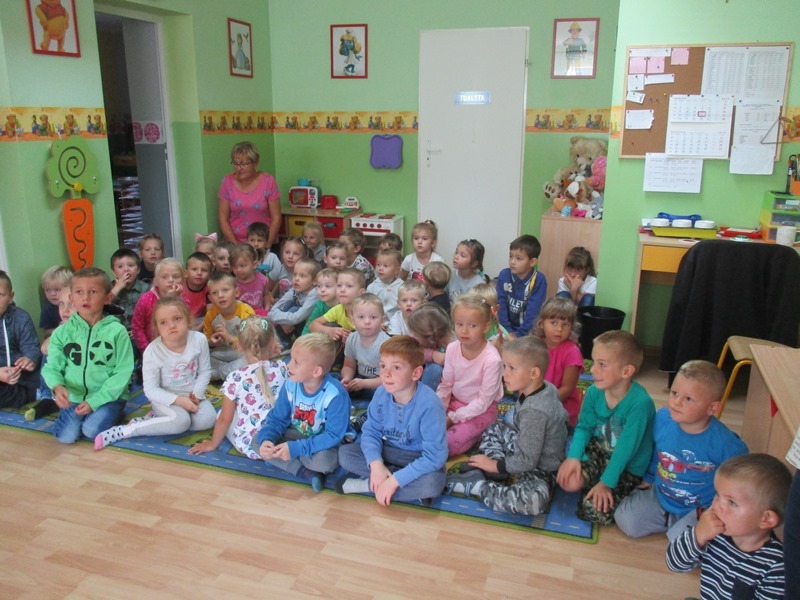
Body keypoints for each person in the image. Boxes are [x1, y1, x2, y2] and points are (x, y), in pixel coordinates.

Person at [615, 360, 748, 540]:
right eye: (674, 393)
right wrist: (650, 476)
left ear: (712, 408)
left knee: (683, 542)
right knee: (626, 520)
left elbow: (740, 476)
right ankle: (672, 522)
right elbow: (657, 452)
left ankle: (678, 527)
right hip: (662, 495)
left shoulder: (726, 444)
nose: (676, 402)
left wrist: (723, 506)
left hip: (698, 507)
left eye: (688, 399)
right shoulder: (662, 418)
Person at [445, 337, 568, 516]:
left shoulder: (535, 411)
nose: (505, 374)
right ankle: (498, 470)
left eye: (512, 368)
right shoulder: (545, 387)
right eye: (504, 367)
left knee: (534, 502)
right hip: (524, 448)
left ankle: (478, 486)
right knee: (494, 428)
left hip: (539, 469)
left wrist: (496, 465)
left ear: (534, 373)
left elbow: (528, 461)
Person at [556, 330, 655, 525]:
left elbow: (625, 451)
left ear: (626, 371)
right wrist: (574, 457)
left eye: (602, 364)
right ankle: (593, 482)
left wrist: (606, 483)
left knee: (593, 512)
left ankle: (625, 493)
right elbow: (584, 427)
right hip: (600, 451)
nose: (593, 370)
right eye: (593, 362)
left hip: (627, 467)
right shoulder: (594, 391)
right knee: (569, 481)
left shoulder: (640, 404)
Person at [337, 336, 448, 505]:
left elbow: (434, 456)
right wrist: (376, 465)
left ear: (416, 373)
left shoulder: (430, 404)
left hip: (417, 456)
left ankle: (368, 485)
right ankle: (396, 483)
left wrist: (395, 480)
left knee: (433, 484)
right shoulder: (381, 393)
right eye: (383, 366)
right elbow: (371, 432)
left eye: (396, 367)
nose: (386, 374)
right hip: (389, 451)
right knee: (345, 455)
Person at [94, 297, 214, 448]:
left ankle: (158, 421)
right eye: (163, 322)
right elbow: (151, 390)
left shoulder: (199, 339)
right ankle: (127, 430)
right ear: (156, 327)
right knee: (181, 422)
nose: (171, 326)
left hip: (191, 394)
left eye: (177, 319)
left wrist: (196, 395)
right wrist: (179, 401)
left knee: (208, 420)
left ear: (189, 319)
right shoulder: (152, 351)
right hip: (164, 397)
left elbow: (204, 371)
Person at [666, 454, 791, 599]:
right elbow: (675, 564)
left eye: (732, 502)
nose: (717, 505)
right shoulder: (714, 534)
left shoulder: (776, 565)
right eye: (718, 495)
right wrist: (697, 535)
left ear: (766, 519)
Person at [41, 268, 134, 444]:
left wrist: (95, 401)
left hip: (108, 397)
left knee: (91, 431)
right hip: (75, 397)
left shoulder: (117, 331)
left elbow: (123, 372)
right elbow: (52, 366)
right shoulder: (61, 333)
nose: (85, 298)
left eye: (93, 292)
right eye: (79, 292)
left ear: (107, 298)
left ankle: (115, 412)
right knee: (66, 438)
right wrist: (57, 386)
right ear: (71, 297)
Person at [257, 333, 352, 492]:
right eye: (290, 359)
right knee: (257, 441)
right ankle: (306, 472)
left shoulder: (335, 395)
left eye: (296, 362)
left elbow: (333, 435)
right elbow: (277, 419)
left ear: (316, 371)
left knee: (326, 462)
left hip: (324, 441)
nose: (288, 365)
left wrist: (295, 448)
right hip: (298, 433)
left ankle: (287, 460)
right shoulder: (290, 384)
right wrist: (267, 440)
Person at [189, 316, 287, 459]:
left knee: (221, 414)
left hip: (251, 446)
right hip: (278, 439)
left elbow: (225, 419)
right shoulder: (283, 368)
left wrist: (212, 444)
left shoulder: (235, 378)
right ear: (273, 343)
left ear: (239, 346)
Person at [436, 294, 504, 458]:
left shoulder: (492, 360)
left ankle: (479, 435)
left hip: (481, 411)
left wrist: (453, 418)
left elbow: (483, 401)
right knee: (424, 428)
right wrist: (439, 410)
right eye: (459, 324)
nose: (464, 331)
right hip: (455, 404)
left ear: (486, 327)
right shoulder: (452, 348)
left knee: (446, 444)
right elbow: (446, 384)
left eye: (472, 325)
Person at [532, 297, 583, 427]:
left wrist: (542, 404)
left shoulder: (572, 352)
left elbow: (567, 389)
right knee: (512, 417)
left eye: (565, 325)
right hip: (535, 402)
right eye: (553, 323)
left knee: (540, 425)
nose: (559, 329)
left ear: (571, 327)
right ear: (541, 323)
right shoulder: (535, 345)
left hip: (561, 407)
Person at [218, 141, 281, 245]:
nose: (239, 168)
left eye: (243, 164)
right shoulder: (227, 182)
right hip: (235, 243)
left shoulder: (268, 181)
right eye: (235, 163)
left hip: (262, 242)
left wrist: (267, 244)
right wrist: (235, 246)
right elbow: (223, 218)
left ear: (255, 163)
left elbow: (276, 217)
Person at [28, 287, 74, 421]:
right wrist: (52, 340)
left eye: (71, 304)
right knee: (48, 348)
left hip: (85, 384)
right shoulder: (62, 327)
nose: (65, 310)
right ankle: (48, 397)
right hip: (62, 377)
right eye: (61, 304)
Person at [0, 270, 42, 410]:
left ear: (10, 297)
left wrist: (30, 359)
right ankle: (26, 395)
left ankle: (33, 393)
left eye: (0, 295)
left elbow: (31, 346)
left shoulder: (20, 317)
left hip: (21, 376)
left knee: (48, 363)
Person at [341, 294, 390, 402]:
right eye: (361, 317)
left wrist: (366, 384)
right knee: (334, 379)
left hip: (379, 383)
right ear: (352, 320)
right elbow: (349, 366)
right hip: (360, 379)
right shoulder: (351, 339)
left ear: (382, 320)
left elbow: (389, 376)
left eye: (373, 317)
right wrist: (347, 379)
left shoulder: (386, 343)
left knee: (385, 392)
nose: (367, 322)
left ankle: (367, 407)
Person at [496, 234, 547, 338]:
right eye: (511, 256)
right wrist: (508, 331)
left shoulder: (539, 280)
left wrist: (519, 335)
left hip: (528, 331)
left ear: (532, 262)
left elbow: (533, 313)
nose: (512, 262)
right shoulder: (504, 275)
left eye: (518, 258)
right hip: (505, 329)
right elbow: (501, 305)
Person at [131, 258, 187, 353]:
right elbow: (137, 326)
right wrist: (146, 349)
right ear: (156, 281)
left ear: (183, 280)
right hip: (151, 348)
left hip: (178, 347)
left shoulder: (184, 299)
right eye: (164, 277)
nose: (171, 280)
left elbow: (186, 323)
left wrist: (173, 298)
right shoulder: (146, 299)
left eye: (176, 276)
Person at [268, 257, 320, 349]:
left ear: (314, 281)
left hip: (310, 330)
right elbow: (276, 307)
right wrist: (282, 322)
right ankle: (279, 340)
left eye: (302, 276)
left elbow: (296, 318)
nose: (296, 279)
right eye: (295, 274)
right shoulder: (295, 289)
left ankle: (283, 343)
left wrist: (279, 319)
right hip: (295, 322)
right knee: (288, 304)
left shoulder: (314, 295)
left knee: (294, 309)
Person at [308, 267, 365, 345]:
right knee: (331, 326)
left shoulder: (368, 310)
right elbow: (312, 325)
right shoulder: (338, 309)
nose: (342, 289)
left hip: (367, 348)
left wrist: (352, 338)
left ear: (361, 292)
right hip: (346, 348)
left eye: (349, 286)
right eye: (339, 285)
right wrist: (329, 331)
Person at [407, 302, 453, 391]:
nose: (414, 336)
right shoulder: (418, 342)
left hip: (447, 386)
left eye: (415, 334)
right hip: (422, 382)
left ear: (428, 337)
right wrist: (432, 355)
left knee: (434, 369)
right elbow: (410, 352)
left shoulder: (454, 345)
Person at [108, 248, 148, 331]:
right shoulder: (108, 288)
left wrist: (138, 331)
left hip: (140, 330)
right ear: (114, 271)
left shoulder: (146, 288)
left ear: (138, 270)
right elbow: (104, 306)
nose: (126, 269)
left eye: (131, 265)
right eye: (120, 266)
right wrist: (117, 288)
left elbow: (151, 314)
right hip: (116, 332)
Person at [467, 283, 512, 353]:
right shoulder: (467, 329)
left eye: (486, 307)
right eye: (475, 307)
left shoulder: (497, 328)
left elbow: (511, 346)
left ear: (496, 308)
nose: (481, 312)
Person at [229, 243, 270, 314]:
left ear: (254, 265)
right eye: (235, 266)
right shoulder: (232, 283)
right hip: (241, 315)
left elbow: (266, 295)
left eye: (242, 266)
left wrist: (267, 309)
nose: (238, 270)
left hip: (259, 314)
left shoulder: (262, 280)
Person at [447, 239, 488, 305]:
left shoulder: (479, 284)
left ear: (474, 263)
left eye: (462, 255)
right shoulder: (450, 276)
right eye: (456, 252)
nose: (456, 257)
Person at [366, 248, 403, 320]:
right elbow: (367, 306)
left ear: (397, 270)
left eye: (385, 266)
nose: (380, 268)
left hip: (396, 322)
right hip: (376, 321)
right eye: (378, 265)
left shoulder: (402, 287)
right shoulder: (372, 286)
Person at [301, 268, 339, 336]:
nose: (322, 290)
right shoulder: (320, 306)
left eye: (328, 286)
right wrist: (302, 341)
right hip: (325, 337)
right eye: (319, 286)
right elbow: (308, 326)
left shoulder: (344, 304)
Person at [39, 265, 72, 336]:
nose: (52, 294)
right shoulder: (47, 309)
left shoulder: (77, 304)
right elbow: (46, 333)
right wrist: (59, 329)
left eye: (57, 290)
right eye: (47, 290)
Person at [184, 252, 212, 328]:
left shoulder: (209, 290)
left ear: (209, 276)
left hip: (200, 321)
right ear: (185, 273)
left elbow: (210, 315)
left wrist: (197, 329)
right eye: (194, 269)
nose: (199, 273)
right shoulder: (180, 287)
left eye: (204, 270)